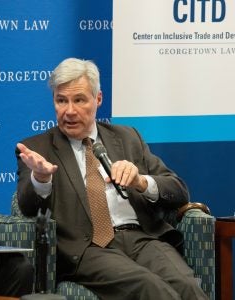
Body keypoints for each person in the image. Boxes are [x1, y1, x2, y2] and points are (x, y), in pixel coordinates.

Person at [15, 57, 209, 300]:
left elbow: (179, 191)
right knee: (151, 289)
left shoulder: (127, 137)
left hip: (143, 238)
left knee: (187, 286)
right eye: (61, 100)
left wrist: (141, 182)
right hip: (88, 248)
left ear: (98, 99)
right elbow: (26, 206)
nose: (69, 111)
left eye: (79, 100)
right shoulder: (37, 148)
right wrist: (41, 178)